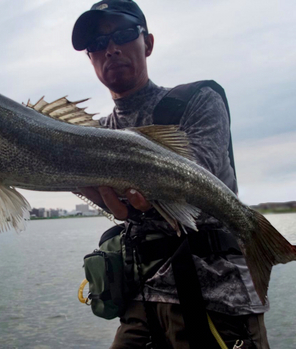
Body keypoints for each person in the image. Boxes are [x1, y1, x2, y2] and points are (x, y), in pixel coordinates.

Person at [71, 1, 270, 348]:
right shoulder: (93, 132)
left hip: (216, 298)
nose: (111, 49)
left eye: (122, 34)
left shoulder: (198, 99)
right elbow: (119, 206)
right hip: (140, 300)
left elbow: (199, 177)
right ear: (90, 59)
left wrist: (143, 201)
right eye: (98, 45)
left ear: (147, 43)